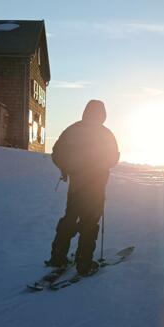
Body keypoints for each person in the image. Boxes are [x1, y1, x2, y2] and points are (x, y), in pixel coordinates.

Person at [47, 100, 120, 276]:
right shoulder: (106, 134)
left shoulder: (72, 130)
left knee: (70, 218)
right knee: (90, 222)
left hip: (77, 186)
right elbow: (113, 158)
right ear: (102, 114)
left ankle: (57, 257)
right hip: (96, 187)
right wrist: (102, 167)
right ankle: (84, 263)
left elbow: (56, 153)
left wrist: (67, 168)